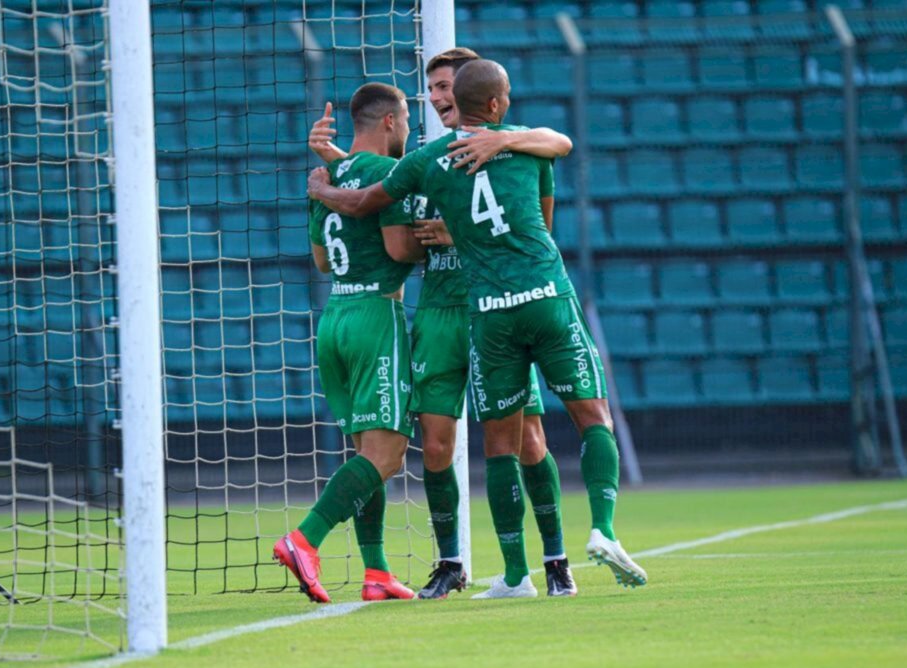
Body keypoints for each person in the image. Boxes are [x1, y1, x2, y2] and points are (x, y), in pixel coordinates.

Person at [307, 60, 648, 599]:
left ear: (466, 95)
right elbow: (375, 193)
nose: (438, 97)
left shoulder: (508, 145)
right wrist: (342, 166)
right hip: (444, 312)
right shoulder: (423, 162)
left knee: (527, 439)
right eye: (431, 89)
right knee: (438, 444)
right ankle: (453, 563)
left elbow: (551, 157)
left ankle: (554, 561)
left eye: (446, 86)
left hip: (489, 306)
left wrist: (460, 228)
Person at [273, 83, 426, 603]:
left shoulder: (324, 178)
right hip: (375, 315)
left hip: (334, 314)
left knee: (365, 451)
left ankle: (377, 571)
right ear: (389, 121)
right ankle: (303, 540)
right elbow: (395, 246)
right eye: (406, 116)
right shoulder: (387, 176)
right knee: (386, 454)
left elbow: (320, 260)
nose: (408, 126)